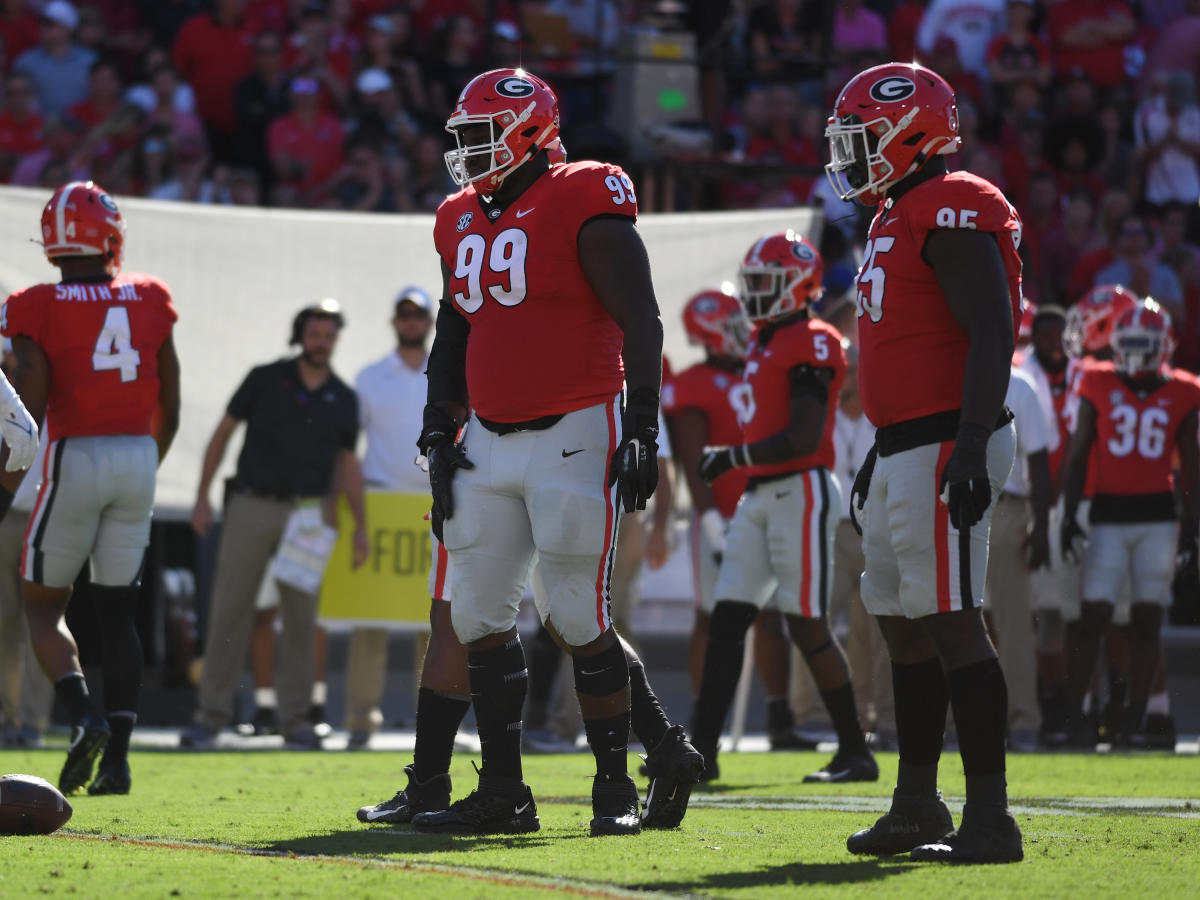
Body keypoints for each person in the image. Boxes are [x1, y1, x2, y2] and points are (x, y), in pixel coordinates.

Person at [357, 126, 702, 833]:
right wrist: (436, 424)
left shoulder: (582, 189)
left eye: (484, 137)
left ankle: (615, 789)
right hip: (486, 432)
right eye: (463, 138)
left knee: (575, 614)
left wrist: (641, 428)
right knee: (477, 615)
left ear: (527, 134)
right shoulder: (457, 216)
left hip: (575, 426)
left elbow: (642, 315)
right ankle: (505, 794)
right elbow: (455, 327)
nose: (471, 151)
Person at [826, 62, 1024, 862]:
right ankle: (917, 804)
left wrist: (970, 442)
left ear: (912, 133)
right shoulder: (896, 212)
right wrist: (883, 447)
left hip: (949, 437)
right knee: (903, 624)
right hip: (906, 442)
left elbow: (992, 329)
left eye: (865, 138)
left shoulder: (952, 201)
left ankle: (990, 818)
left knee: (951, 621)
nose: (852, 156)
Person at [1, 180, 179, 795]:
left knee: (43, 603)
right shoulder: (151, 296)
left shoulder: (35, 303)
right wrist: (145, 462)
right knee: (119, 612)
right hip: (139, 455)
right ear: (108, 234)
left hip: (76, 453)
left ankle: (83, 716)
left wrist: (4, 491)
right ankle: (120, 763)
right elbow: (171, 399)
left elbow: (29, 405)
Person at [688, 231, 876, 785]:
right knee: (727, 620)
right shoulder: (765, 341)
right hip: (762, 493)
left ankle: (854, 751)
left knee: (807, 626)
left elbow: (803, 433)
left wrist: (733, 455)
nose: (756, 296)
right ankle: (702, 751)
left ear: (799, 286)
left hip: (802, 488)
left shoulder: (813, 339)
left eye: (766, 284)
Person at [181, 298, 367, 750]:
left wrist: (357, 523)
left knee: (302, 619)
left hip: (306, 513)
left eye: (329, 334)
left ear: (336, 340)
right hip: (251, 504)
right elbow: (223, 433)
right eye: (314, 332)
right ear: (300, 334)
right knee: (230, 609)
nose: (321, 341)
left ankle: (297, 721)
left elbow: (347, 465)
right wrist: (202, 496)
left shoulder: (343, 398)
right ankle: (211, 716)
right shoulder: (265, 378)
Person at [663, 286, 822, 750]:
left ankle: (779, 718)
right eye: (733, 325)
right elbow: (693, 463)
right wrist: (711, 521)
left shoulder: (757, 374)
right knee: (711, 619)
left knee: (772, 618)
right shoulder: (693, 384)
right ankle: (701, 718)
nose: (744, 332)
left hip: (766, 509)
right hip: (722, 517)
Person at [1058, 300, 1199, 747]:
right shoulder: (1097, 380)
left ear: (1164, 346)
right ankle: (1076, 714)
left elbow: (1191, 468)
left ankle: (1136, 721)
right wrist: (1067, 514)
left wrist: (1191, 525)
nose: (1137, 353)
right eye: (1131, 342)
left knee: (1146, 619)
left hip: (1157, 517)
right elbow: (1079, 452)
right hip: (1108, 515)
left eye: (1145, 343)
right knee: (1093, 614)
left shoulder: (1183, 389)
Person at [345, 285, 435, 749]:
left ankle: (434, 726)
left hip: (432, 505)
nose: (411, 322)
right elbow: (351, 445)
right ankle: (361, 720)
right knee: (371, 619)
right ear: (394, 321)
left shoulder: (446, 372)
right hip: (382, 504)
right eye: (404, 314)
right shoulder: (369, 377)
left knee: (434, 618)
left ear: (428, 321)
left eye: (418, 314)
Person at [982, 365, 1052, 751]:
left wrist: (1040, 526)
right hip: (951, 499)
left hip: (1006, 505)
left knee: (1012, 622)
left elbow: (1038, 460)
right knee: (951, 616)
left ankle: (1023, 718)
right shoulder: (946, 366)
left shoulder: (1020, 384)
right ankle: (954, 721)